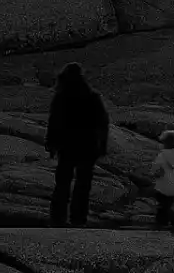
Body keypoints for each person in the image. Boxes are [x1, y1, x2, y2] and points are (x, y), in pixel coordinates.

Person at [45, 62, 109, 227]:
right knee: (83, 184)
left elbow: (54, 122)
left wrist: (51, 144)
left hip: (67, 146)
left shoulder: (61, 96)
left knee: (62, 183)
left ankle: (57, 218)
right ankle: (78, 219)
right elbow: (103, 122)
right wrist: (102, 145)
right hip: (88, 146)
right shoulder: (92, 96)